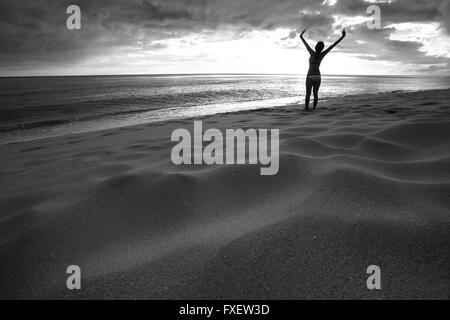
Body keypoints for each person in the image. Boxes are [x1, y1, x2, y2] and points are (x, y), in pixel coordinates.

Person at [300, 29, 346, 111]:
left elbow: (305, 44)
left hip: (310, 75)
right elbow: (333, 45)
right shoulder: (322, 54)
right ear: (322, 48)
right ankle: (314, 109)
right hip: (318, 76)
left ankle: (306, 109)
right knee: (315, 94)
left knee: (308, 93)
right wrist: (342, 36)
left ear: (316, 46)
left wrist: (301, 36)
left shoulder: (312, 52)